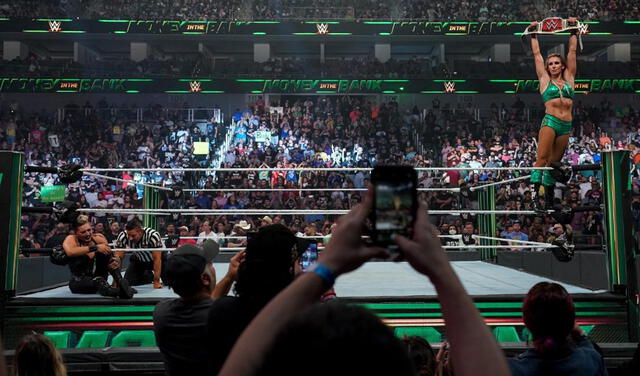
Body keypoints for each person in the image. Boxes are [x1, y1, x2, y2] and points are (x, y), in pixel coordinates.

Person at [219, 191, 510, 376]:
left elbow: (240, 362)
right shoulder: (302, 318)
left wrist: (325, 270)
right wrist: (442, 273)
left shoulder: (225, 316)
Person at [207, 224, 301, 374]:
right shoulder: (302, 316)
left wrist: (229, 277)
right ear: (290, 270)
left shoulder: (224, 311)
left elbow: (205, 311)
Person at [153, 240, 244, 376]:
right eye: (210, 265)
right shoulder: (227, 311)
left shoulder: (161, 312)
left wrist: (229, 277)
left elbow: (208, 305)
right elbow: (213, 307)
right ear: (205, 278)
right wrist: (233, 278)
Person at [528, 17, 578, 209]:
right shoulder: (544, 80)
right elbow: (537, 54)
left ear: (562, 65)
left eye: (557, 63)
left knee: (554, 162)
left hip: (566, 125)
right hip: (550, 121)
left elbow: (572, 52)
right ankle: (534, 198)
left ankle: (548, 198)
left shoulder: (569, 79)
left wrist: (573, 31)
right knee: (541, 159)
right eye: (551, 64)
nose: (554, 66)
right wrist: (534, 33)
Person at [508, 282, 607, 375]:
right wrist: (581, 335)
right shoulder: (590, 361)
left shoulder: (513, 369)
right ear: (571, 322)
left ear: (526, 322)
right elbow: (591, 351)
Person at [62, 215, 132, 298]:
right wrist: (95, 247)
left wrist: (115, 260)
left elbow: (110, 258)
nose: (88, 234)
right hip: (79, 282)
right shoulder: (71, 239)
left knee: (109, 257)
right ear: (76, 232)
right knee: (99, 281)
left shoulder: (99, 238)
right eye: (83, 232)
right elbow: (70, 252)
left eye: (89, 230)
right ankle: (118, 292)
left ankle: (121, 284)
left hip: (101, 280)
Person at [114, 218, 164, 288]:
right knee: (129, 281)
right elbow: (118, 258)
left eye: (133, 236)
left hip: (157, 260)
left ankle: (155, 277)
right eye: (129, 235)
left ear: (140, 231)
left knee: (169, 282)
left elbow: (157, 259)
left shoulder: (152, 235)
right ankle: (148, 276)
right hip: (139, 260)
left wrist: (156, 281)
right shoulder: (123, 236)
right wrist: (116, 280)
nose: (130, 238)